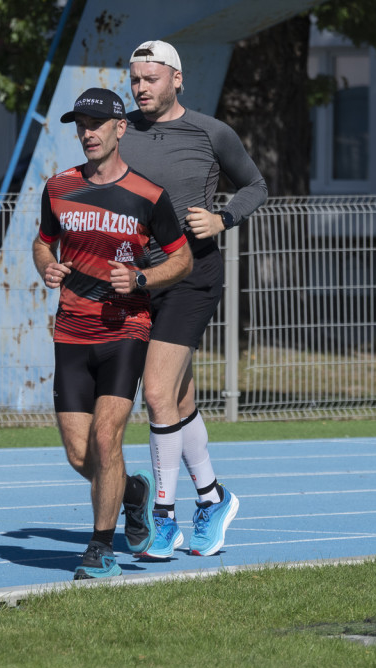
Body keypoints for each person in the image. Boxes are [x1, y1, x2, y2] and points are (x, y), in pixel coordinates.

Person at [33, 87, 193, 579]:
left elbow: (182, 259)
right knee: (81, 454)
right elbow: (43, 243)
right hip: (71, 333)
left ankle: (100, 548)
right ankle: (133, 492)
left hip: (125, 329)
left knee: (107, 440)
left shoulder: (148, 196)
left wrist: (142, 278)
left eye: (97, 124)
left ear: (120, 128)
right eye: (81, 124)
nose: (87, 132)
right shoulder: (58, 188)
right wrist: (48, 268)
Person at [121, 40, 268, 558]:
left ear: (176, 79)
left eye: (151, 78)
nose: (140, 87)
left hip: (193, 276)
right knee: (177, 399)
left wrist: (223, 217)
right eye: (135, 78)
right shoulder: (121, 134)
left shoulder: (211, 132)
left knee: (156, 394)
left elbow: (256, 185)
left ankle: (163, 519)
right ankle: (213, 499)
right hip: (140, 281)